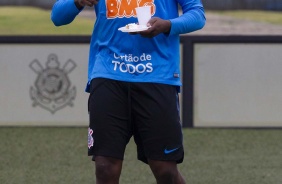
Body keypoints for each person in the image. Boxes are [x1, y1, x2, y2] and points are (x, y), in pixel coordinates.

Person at [51, 0, 205, 183]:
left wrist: (168, 25)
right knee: (105, 167)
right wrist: (76, 2)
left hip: (158, 75)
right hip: (108, 73)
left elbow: (197, 15)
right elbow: (58, 17)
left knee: (165, 170)